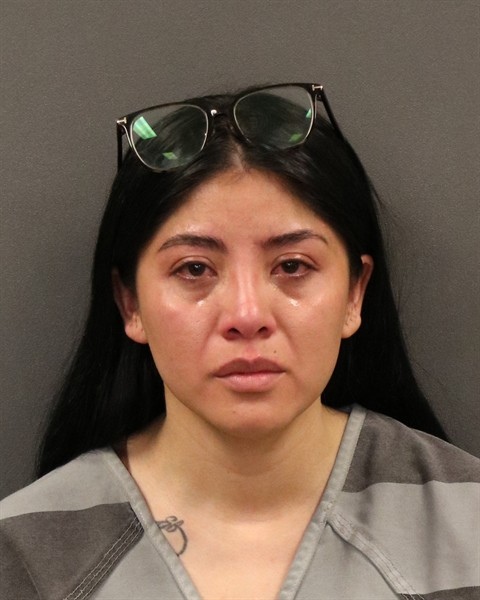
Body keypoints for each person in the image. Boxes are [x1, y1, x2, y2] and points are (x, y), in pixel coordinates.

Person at [1, 83, 478, 600]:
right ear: (130, 304)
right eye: (194, 269)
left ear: (354, 294)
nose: (247, 316)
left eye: (292, 266)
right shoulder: (25, 552)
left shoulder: (468, 522)